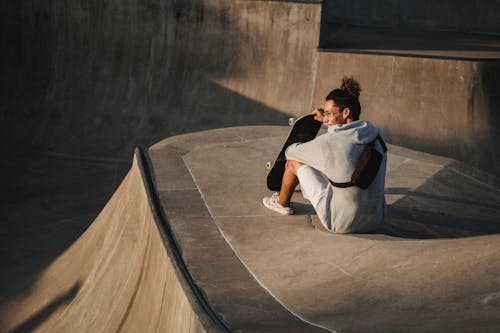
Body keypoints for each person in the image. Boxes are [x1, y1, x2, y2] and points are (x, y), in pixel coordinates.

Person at [262, 76, 387, 233]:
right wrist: (327, 119)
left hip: (341, 222)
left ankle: (282, 204)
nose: (325, 118)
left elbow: (290, 152)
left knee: (293, 162)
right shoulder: (378, 136)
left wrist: (306, 144)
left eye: (328, 113)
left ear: (346, 112)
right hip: (376, 220)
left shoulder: (329, 142)